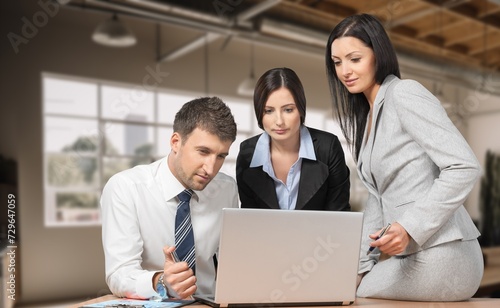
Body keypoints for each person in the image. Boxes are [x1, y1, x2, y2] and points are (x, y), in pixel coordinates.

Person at [325, 14, 483, 301]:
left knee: (352, 294)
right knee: (346, 286)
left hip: (446, 255)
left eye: (354, 59)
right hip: (413, 258)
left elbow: (464, 166)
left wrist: (410, 227)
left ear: (378, 55)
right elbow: (377, 198)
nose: (345, 70)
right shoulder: (369, 116)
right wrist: (360, 267)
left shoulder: (404, 94)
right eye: (337, 62)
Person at [101, 97, 238, 300]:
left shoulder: (226, 189)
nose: (211, 168)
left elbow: (233, 262)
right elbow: (118, 274)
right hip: (155, 303)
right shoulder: (125, 188)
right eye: (203, 152)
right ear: (176, 142)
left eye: (221, 156)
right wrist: (161, 281)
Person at [236, 67, 350, 211]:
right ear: (260, 112)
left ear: (301, 110)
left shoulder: (328, 147)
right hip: (266, 234)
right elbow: (249, 217)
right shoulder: (248, 153)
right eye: (269, 111)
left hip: (319, 234)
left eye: (288, 110)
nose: (279, 121)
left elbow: (339, 214)